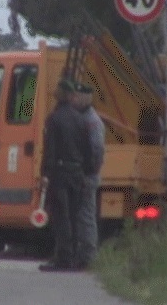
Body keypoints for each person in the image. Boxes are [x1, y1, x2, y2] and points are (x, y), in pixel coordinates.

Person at [39, 79, 92, 272]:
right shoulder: (81, 120)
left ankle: (63, 258)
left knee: (61, 217)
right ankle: (74, 258)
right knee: (74, 216)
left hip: (60, 174)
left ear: (60, 95)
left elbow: (50, 150)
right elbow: (88, 151)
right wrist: (86, 172)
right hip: (77, 174)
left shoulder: (54, 119)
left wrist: (45, 174)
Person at [74, 83, 105, 269]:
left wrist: (91, 169)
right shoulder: (84, 118)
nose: (76, 99)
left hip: (88, 175)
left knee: (86, 215)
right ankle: (84, 253)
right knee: (83, 215)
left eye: (80, 96)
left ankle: (89, 254)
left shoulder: (92, 121)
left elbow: (97, 149)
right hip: (86, 173)